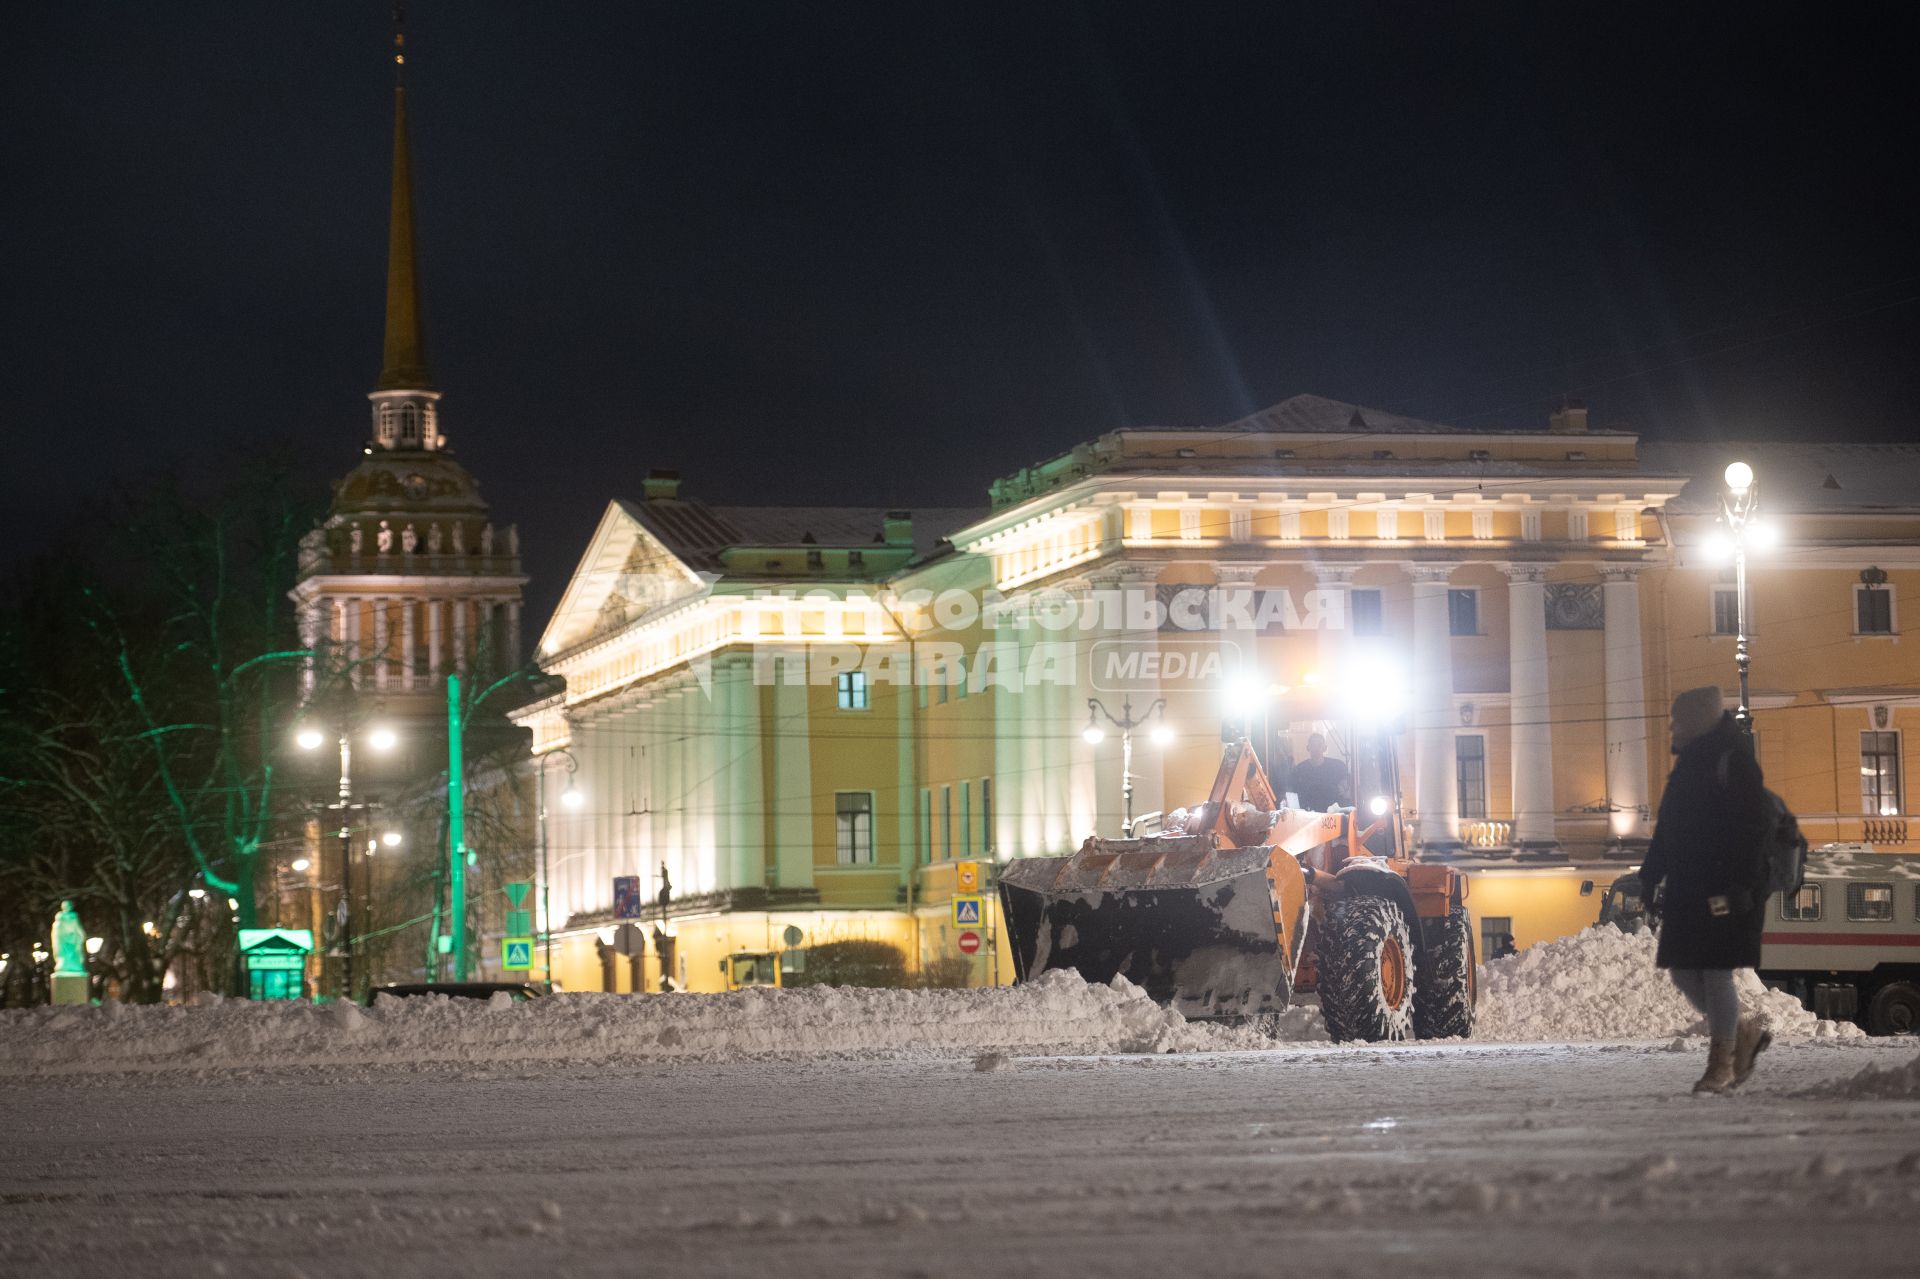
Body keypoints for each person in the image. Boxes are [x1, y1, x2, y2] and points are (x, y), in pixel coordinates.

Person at [1637, 687, 1774, 1094]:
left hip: (1726, 887)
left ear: (1697, 722)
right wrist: (1649, 874)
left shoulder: (1734, 762)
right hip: (1690, 885)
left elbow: (1754, 830)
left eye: (1678, 721)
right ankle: (1741, 1036)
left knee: (1716, 973)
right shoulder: (1689, 766)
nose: (1673, 728)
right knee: (1683, 971)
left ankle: (1722, 1065)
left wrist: (1739, 885)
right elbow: (1669, 828)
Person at [1290, 733, 1351, 812]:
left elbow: (1346, 792)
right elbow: (1294, 795)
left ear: (1325, 748)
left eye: (1319, 745)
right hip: (1307, 816)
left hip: (1334, 816)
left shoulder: (1338, 767)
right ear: (1308, 748)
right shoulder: (1299, 770)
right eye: (1313, 745)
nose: (1316, 748)